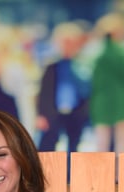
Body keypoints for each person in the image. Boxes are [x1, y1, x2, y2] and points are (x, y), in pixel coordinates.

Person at [36, 21, 91, 152]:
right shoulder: (51, 65)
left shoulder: (82, 66)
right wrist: (41, 114)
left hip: (76, 112)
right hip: (54, 112)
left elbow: (87, 90)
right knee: (48, 145)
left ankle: (70, 171)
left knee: (73, 147)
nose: (67, 46)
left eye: (71, 42)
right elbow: (44, 92)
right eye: (64, 42)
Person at [89, 13, 124, 152]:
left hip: (101, 102)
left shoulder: (95, 52)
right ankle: (119, 172)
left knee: (102, 143)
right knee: (122, 143)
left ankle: (102, 173)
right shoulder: (122, 52)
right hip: (121, 102)